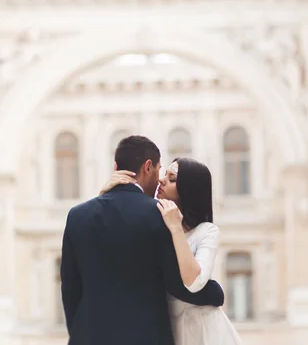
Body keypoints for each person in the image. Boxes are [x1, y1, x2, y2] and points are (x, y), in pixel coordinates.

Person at [60, 135, 225, 345]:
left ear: (115, 166)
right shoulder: (158, 215)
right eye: (159, 170)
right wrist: (214, 293)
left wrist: (79, 332)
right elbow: (176, 283)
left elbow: (70, 286)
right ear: (148, 167)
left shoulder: (77, 215)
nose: (160, 180)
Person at [101, 157, 240, 345]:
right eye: (164, 174)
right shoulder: (151, 221)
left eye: (172, 178)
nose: (161, 180)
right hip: (164, 327)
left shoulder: (206, 231)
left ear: (188, 189)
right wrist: (107, 196)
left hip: (202, 329)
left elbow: (194, 282)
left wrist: (176, 227)